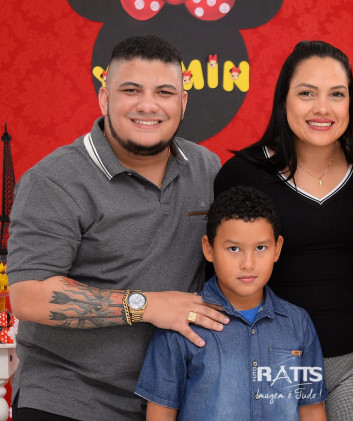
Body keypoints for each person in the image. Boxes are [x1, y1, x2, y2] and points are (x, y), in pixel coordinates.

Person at [6, 35, 229, 421]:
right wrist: (147, 305)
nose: (148, 105)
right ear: (105, 98)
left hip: (174, 396)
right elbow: (29, 296)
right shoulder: (54, 180)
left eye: (164, 92)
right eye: (131, 90)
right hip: (68, 396)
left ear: (183, 102)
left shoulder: (205, 168)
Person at [214, 40, 353, 420]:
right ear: (283, 100)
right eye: (306, 93)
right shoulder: (242, 174)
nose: (322, 108)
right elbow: (219, 276)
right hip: (270, 360)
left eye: (337, 94)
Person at [136, 186, 328, 420]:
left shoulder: (298, 323)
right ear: (209, 248)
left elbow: (311, 409)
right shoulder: (180, 323)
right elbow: (161, 414)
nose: (248, 264)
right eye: (234, 248)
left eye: (260, 248)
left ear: (277, 248)